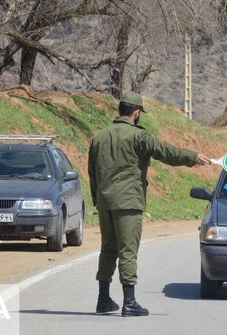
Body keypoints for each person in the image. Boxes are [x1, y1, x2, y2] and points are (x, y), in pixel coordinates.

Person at [88, 91, 211, 316]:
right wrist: (192, 157)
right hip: (129, 201)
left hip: (105, 201)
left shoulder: (99, 137)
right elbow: (165, 152)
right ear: (136, 113)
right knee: (128, 251)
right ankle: (129, 302)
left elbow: (92, 174)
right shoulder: (139, 136)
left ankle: (103, 299)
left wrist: (98, 199)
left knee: (108, 249)